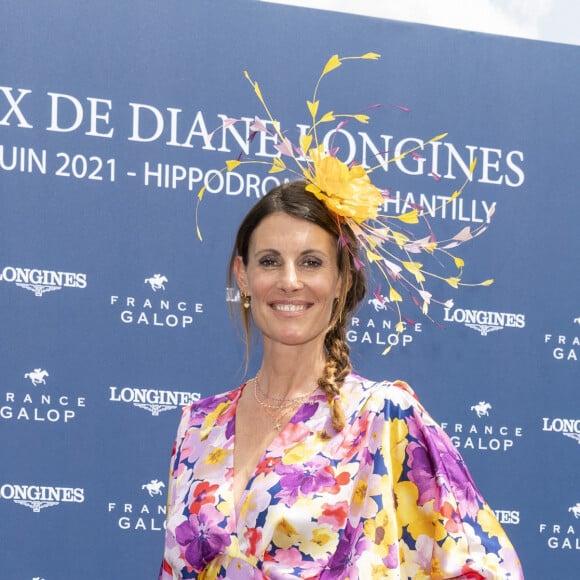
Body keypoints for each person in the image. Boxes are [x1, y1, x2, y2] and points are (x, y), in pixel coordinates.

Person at [158, 179, 524, 579]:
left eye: (311, 262)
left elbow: (485, 566)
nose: (290, 280)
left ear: (342, 280)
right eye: (269, 261)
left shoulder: (383, 416)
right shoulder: (197, 424)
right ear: (242, 276)